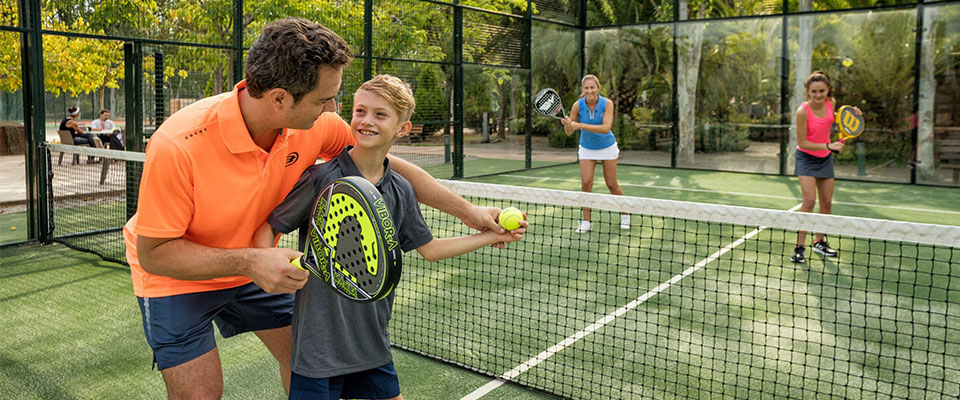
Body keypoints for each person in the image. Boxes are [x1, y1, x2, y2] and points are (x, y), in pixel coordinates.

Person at [122, 18, 504, 399]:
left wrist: (469, 213)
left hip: (260, 262)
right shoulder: (177, 145)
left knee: (310, 363)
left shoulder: (314, 123)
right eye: (324, 100)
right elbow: (156, 254)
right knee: (199, 395)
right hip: (177, 278)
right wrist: (251, 261)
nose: (335, 109)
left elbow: (384, 164)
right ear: (279, 99)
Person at [253, 74, 527, 400]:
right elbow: (269, 228)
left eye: (380, 114)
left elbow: (430, 250)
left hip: (371, 343)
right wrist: (267, 261)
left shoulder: (401, 190)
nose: (366, 121)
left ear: (402, 128)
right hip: (318, 348)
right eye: (360, 111)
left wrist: (490, 235)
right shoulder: (320, 178)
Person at [790, 70, 861, 263]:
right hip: (806, 157)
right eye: (814, 91)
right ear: (808, 92)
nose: (819, 95)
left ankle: (819, 242)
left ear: (828, 90)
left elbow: (836, 119)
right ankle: (799, 247)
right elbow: (803, 142)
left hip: (825, 158)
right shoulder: (802, 111)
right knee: (809, 201)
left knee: (827, 202)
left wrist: (852, 115)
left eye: (822, 90)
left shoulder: (832, 103)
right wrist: (829, 146)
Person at [559, 74, 628, 233]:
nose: (589, 91)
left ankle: (625, 214)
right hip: (587, 148)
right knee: (586, 183)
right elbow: (569, 132)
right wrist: (568, 125)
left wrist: (579, 125)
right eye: (586, 88)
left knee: (611, 184)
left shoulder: (607, 104)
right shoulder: (577, 105)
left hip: (607, 147)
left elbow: (605, 128)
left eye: (592, 87)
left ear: (598, 88)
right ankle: (586, 221)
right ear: (582, 90)